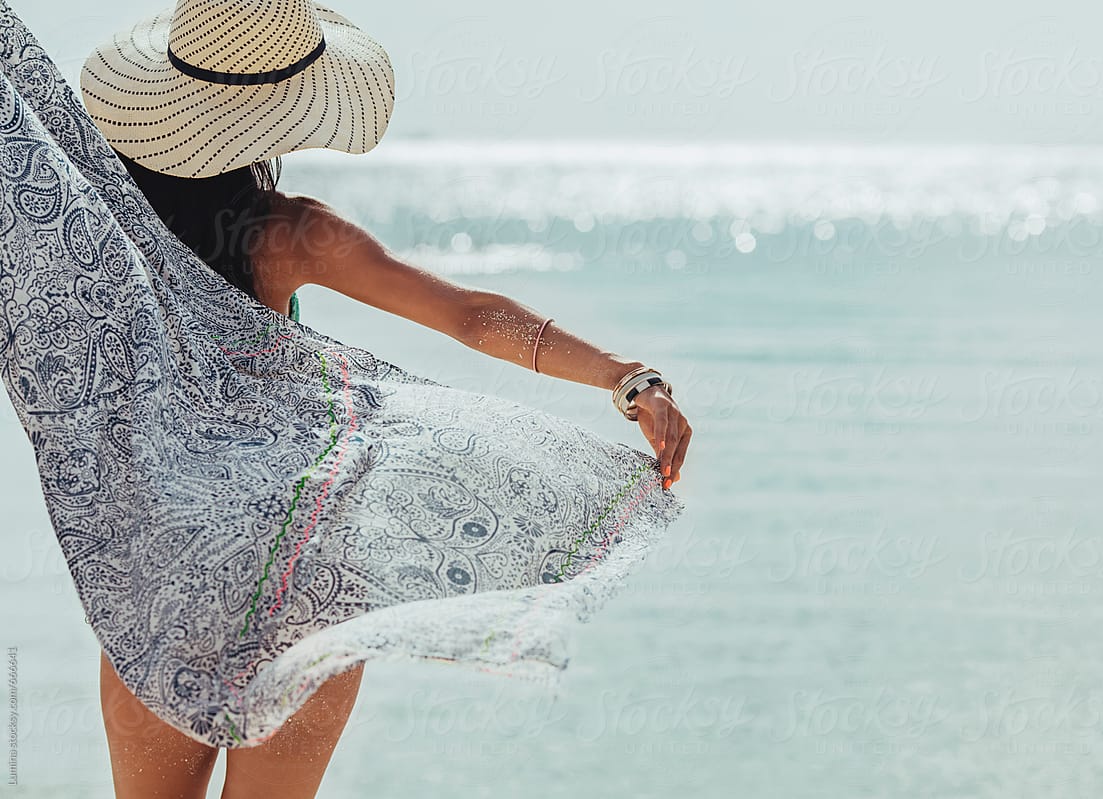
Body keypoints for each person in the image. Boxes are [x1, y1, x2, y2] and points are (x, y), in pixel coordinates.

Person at [67, 0, 693, 797]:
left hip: (156, 579)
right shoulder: (284, 235)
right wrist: (624, 376)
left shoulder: (94, 244)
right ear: (271, 120)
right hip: (297, 581)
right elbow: (470, 317)